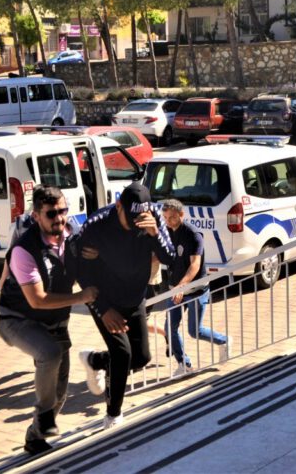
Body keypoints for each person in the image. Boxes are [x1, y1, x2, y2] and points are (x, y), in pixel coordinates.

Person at [0, 186, 97, 455]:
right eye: (51, 213)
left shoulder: (72, 235)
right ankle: (42, 420)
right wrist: (80, 297)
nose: (59, 218)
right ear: (36, 215)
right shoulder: (24, 249)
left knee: (60, 392)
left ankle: (35, 436)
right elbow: (37, 299)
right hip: (16, 319)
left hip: (55, 322)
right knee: (50, 354)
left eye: (63, 211)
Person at [74, 182, 176, 429]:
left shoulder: (151, 218)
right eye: (130, 218)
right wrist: (103, 309)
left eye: (139, 218)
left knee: (140, 357)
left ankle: (96, 360)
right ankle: (113, 416)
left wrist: (155, 235)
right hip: (105, 298)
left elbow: (170, 257)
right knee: (122, 354)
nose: (135, 225)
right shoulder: (97, 224)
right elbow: (79, 267)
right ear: (118, 205)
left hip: (134, 297)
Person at [160, 198, 231, 376]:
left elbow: (195, 265)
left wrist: (181, 288)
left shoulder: (193, 235)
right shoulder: (166, 232)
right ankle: (184, 363)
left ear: (181, 215)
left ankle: (223, 341)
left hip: (196, 290)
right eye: (165, 217)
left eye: (172, 218)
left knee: (195, 331)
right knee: (170, 327)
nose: (168, 221)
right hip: (175, 289)